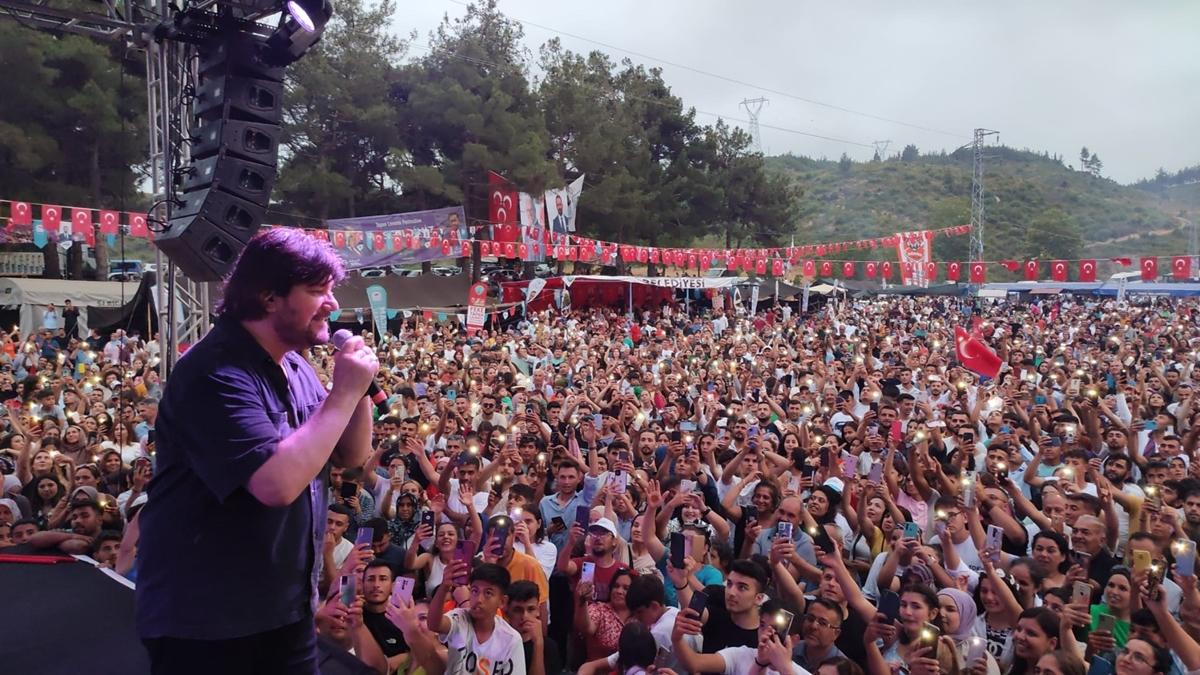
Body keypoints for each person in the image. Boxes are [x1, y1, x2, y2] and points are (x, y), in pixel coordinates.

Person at [134, 228, 378, 675]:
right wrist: (343, 394)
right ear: (268, 297)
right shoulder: (215, 372)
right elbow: (275, 483)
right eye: (316, 290)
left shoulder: (296, 364)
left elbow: (351, 456)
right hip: (208, 622)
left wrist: (358, 391)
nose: (332, 305)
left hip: (284, 611)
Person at [428, 560, 527, 675]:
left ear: (502, 601)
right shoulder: (460, 618)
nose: (479, 599)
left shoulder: (511, 639)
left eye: (488, 593)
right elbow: (434, 624)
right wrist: (444, 587)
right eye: (474, 591)